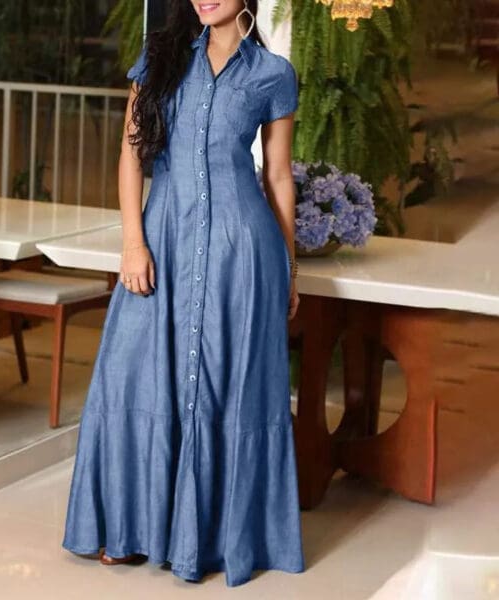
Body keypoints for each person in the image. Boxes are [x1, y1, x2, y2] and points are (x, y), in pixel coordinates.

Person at [61, 0, 305, 587]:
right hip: (162, 236)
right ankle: (128, 527)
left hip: (240, 251)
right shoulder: (160, 57)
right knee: (131, 373)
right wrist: (131, 243)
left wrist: (290, 269)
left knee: (229, 387)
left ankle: (216, 538)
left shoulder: (273, 74)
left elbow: (275, 174)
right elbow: (130, 154)